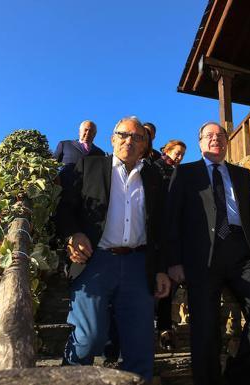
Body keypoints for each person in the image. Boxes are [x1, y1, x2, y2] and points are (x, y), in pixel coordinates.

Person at [56, 116, 171, 382]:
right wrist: (72, 234)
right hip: (95, 262)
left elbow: (161, 227)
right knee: (90, 336)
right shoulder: (89, 165)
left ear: (144, 145)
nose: (129, 140)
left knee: (140, 344)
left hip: (138, 264)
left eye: (137, 137)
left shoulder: (154, 176)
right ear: (112, 139)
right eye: (123, 135)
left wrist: (162, 269)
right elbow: (64, 208)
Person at [165, 122, 250, 385]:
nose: (215, 139)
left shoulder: (242, 175)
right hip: (202, 257)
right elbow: (171, 219)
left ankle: (235, 379)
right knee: (205, 331)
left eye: (220, 136)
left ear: (226, 142)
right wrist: (173, 261)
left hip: (243, 254)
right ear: (200, 142)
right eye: (209, 135)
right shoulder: (184, 173)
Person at [153, 139, 186, 350]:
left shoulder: (181, 174)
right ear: (167, 150)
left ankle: (164, 327)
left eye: (182, 154)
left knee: (169, 286)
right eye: (177, 152)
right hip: (155, 234)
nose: (179, 157)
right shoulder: (155, 168)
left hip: (174, 235)